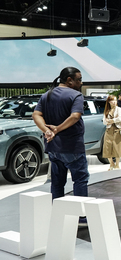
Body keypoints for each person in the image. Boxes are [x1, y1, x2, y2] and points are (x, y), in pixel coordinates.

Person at [32, 67, 89, 201]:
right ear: (70, 80)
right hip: (72, 146)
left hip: (53, 148)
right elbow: (75, 116)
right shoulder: (76, 95)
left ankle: (57, 214)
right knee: (80, 180)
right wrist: (56, 129)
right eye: (79, 79)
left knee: (57, 182)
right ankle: (81, 216)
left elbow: (36, 114)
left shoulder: (47, 95)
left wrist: (47, 131)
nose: (81, 83)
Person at [102, 95, 121, 170]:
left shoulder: (118, 109)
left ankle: (117, 164)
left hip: (117, 130)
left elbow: (120, 118)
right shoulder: (106, 110)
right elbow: (104, 121)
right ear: (109, 102)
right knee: (107, 148)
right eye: (112, 101)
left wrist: (112, 120)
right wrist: (109, 121)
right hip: (108, 131)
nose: (114, 102)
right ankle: (111, 163)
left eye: (115, 100)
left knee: (117, 147)